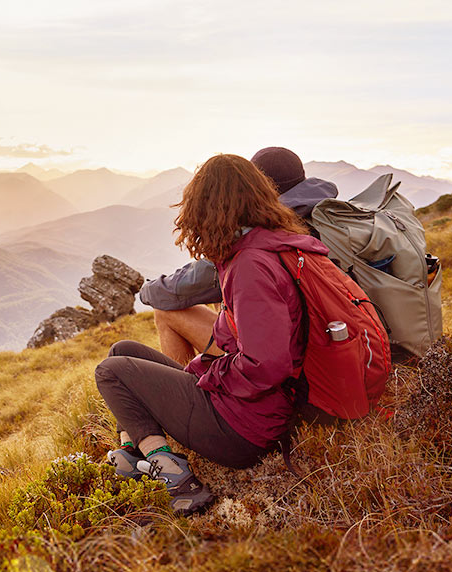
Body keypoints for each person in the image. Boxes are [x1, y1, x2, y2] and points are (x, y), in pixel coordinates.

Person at [95, 153, 328, 514]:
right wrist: (204, 369)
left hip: (244, 430)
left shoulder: (251, 267)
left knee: (110, 373)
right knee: (121, 350)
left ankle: (175, 478)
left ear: (211, 209)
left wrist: (209, 377)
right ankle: (131, 454)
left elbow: (267, 366)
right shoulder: (264, 245)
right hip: (252, 411)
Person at [140, 147, 338, 366]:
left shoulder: (256, 239)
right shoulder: (328, 215)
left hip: (296, 357)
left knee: (165, 312)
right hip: (335, 340)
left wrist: (145, 290)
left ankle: (183, 393)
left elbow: (183, 287)